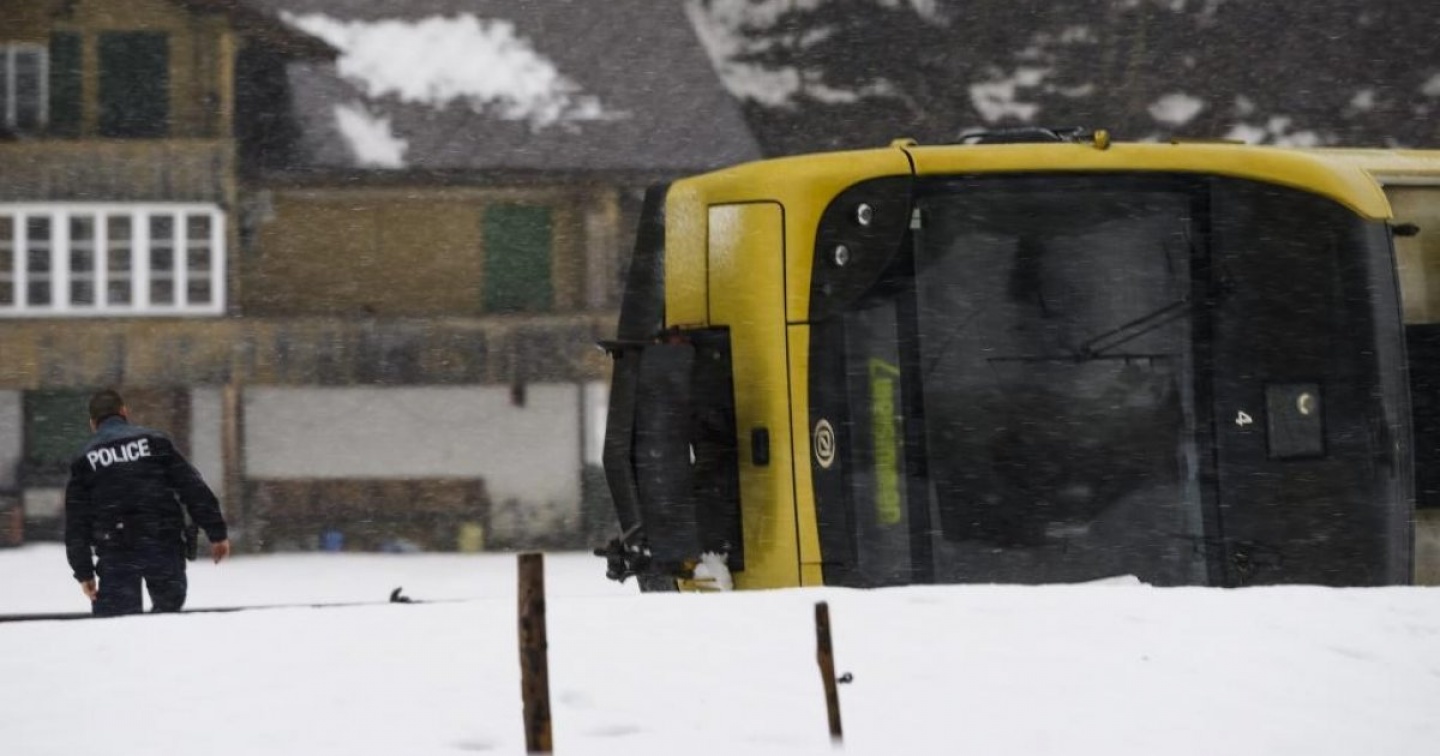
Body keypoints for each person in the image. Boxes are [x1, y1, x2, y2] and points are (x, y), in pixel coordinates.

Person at [64, 389, 230, 616]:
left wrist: (84, 572)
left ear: (93, 423)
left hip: (116, 549)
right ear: (124, 411)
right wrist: (216, 532)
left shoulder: (84, 459)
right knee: (168, 618)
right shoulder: (155, 441)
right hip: (162, 541)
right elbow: (192, 487)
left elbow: (76, 523)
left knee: (117, 624)